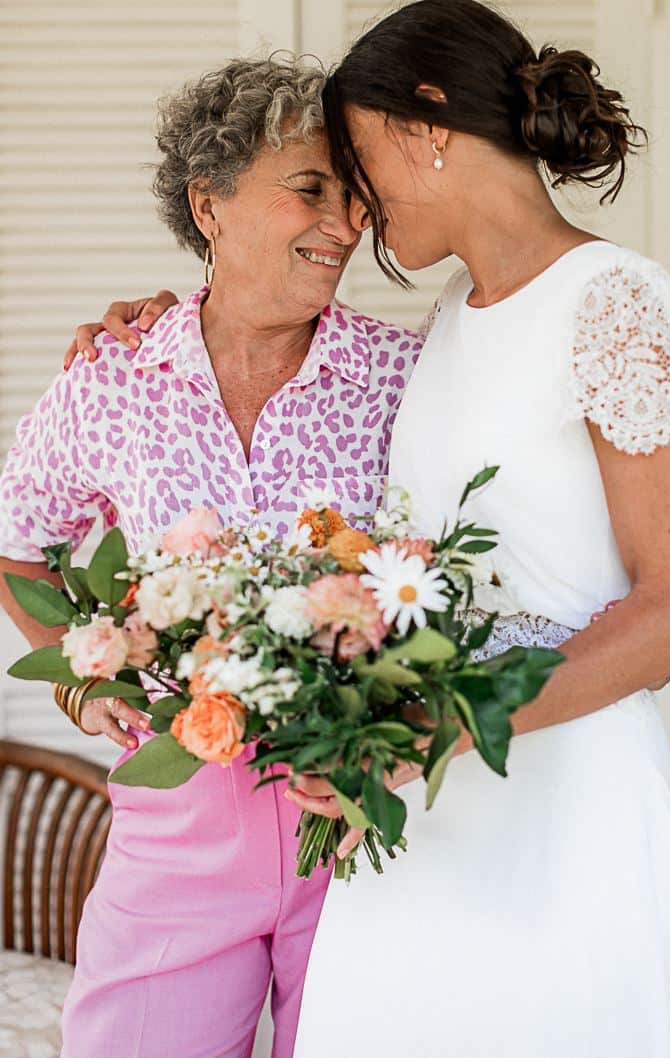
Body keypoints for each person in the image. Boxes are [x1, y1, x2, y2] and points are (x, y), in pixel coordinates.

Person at [76, 0, 670, 1056]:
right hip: (416, 815)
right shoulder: (447, 321)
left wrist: (445, 727)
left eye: (359, 166)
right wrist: (167, 319)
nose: (356, 214)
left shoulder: (614, 299)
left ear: (425, 124)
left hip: (560, 812)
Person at [1, 54, 420, 1058]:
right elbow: (20, 542)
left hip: (359, 826)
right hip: (176, 833)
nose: (347, 224)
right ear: (211, 206)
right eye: (310, 189)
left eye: (355, 198)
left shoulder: (404, 375)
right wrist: (81, 680)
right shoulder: (115, 378)